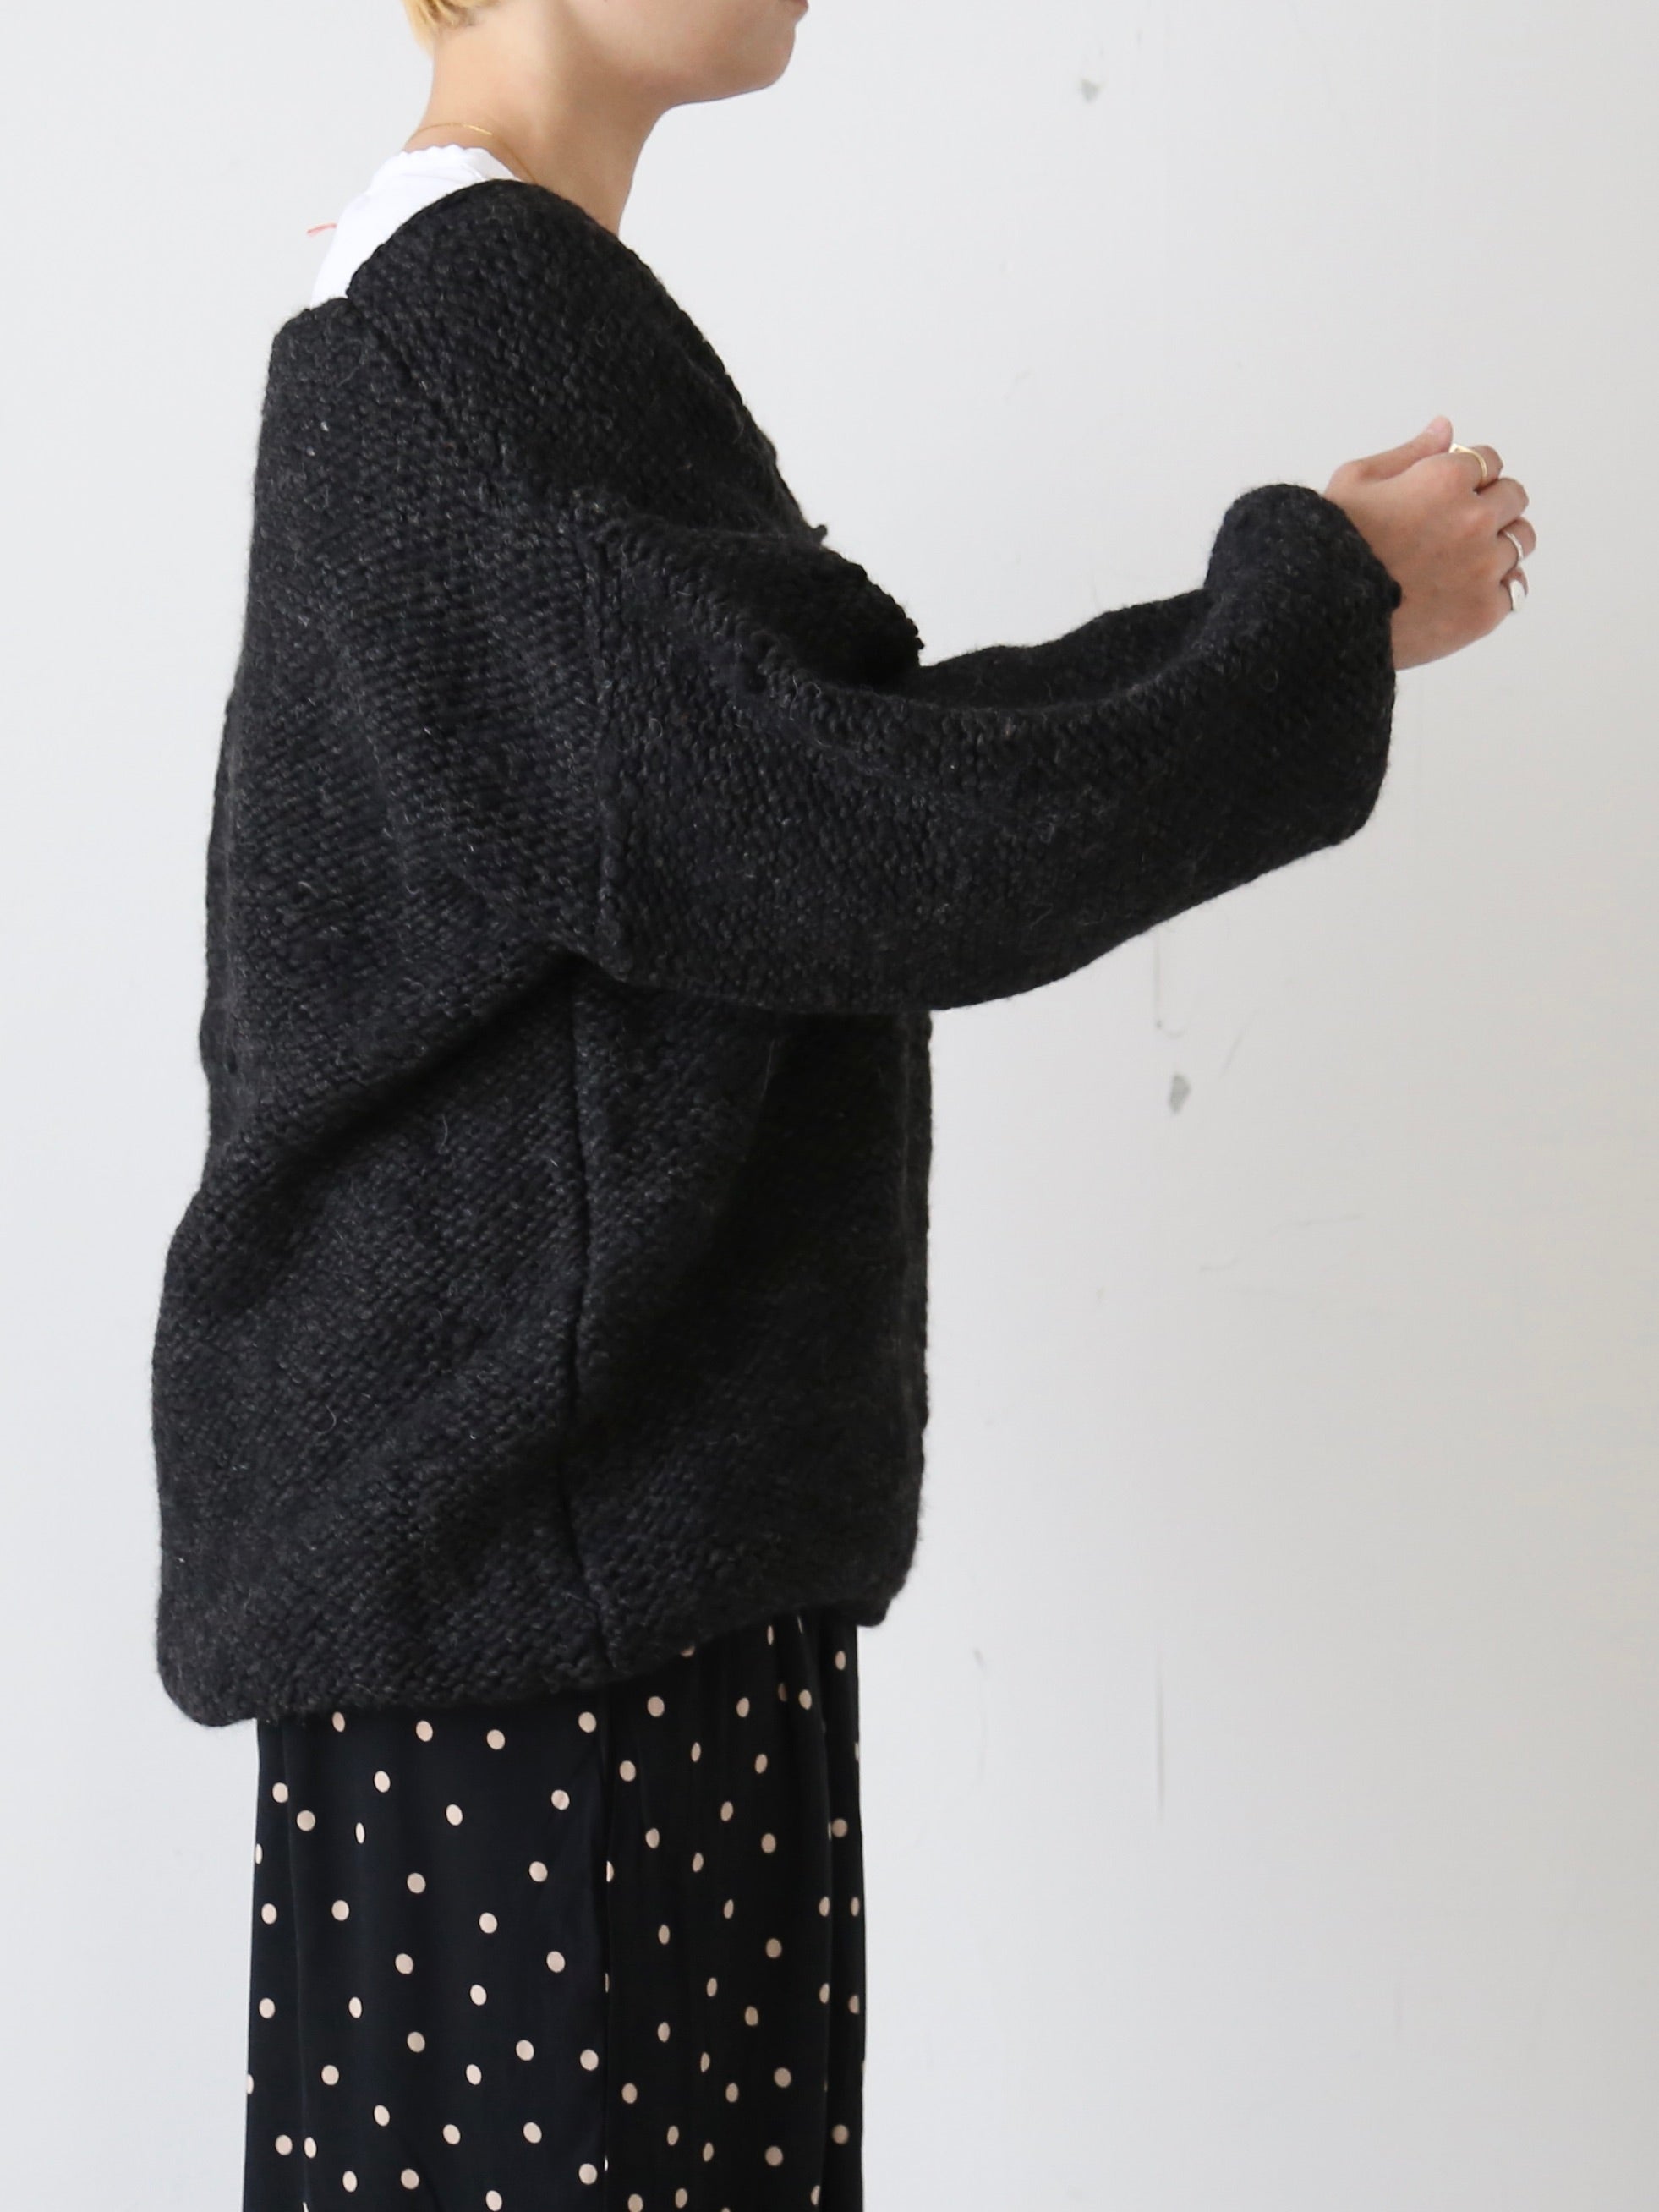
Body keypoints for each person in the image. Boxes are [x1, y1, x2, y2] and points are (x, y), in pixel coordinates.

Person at [150, 3, 1536, 2208]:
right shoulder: (459, 323)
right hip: (545, 1624)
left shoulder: (481, 305)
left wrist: (1295, 627)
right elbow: (857, 832)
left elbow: (799, 777)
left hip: (561, 1578)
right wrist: (1314, 628)